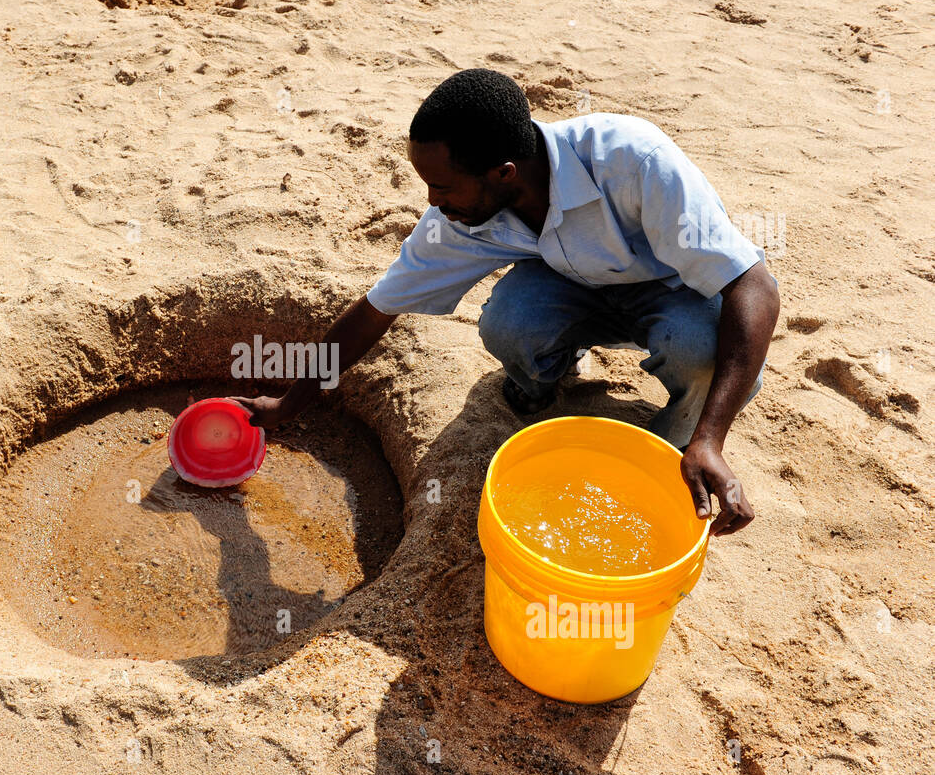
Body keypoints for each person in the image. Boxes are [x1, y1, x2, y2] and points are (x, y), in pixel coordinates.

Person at [230, 69, 780, 536]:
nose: (432, 202)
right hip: (573, 289)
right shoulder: (462, 215)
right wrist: (289, 404)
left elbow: (753, 285)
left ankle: (682, 442)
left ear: (504, 174)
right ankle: (545, 381)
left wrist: (711, 437)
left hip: (674, 293)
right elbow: (376, 310)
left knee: (698, 350)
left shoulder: (633, 161)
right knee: (509, 322)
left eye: (443, 187)